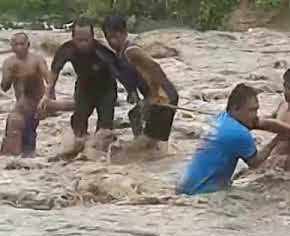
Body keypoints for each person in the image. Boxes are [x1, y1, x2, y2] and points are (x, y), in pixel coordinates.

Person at [176, 84, 290, 195]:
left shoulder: (222, 118)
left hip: (184, 187)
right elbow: (255, 163)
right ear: (236, 109)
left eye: (256, 110)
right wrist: (278, 139)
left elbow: (263, 123)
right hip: (203, 193)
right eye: (251, 110)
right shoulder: (238, 133)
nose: (255, 115)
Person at [101, 15, 179, 164]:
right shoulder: (120, 55)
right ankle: (150, 159)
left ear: (124, 32)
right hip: (154, 96)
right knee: (135, 115)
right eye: (109, 37)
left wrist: (156, 94)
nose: (113, 41)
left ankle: (150, 158)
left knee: (150, 140)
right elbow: (133, 76)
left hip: (164, 96)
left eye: (116, 36)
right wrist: (133, 93)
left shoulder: (131, 51)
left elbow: (155, 67)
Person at [38, 17, 118, 159]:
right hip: (84, 86)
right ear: (73, 37)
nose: (83, 43)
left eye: (86, 40)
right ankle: (78, 148)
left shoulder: (102, 52)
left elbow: (120, 72)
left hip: (106, 89)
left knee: (105, 127)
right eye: (79, 39)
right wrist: (47, 93)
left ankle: (101, 154)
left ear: (93, 38)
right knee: (79, 120)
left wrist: (133, 92)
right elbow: (55, 70)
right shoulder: (66, 49)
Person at [0, 32, 49, 156]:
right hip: (21, 102)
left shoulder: (37, 60)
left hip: (38, 101)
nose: (19, 47)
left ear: (28, 45)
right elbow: (5, 87)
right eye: (16, 44)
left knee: (29, 128)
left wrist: (49, 99)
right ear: (12, 46)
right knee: (13, 125)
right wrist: (10, 74)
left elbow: (49, 81)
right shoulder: (8, 63)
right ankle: (12, 153)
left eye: (22, 44)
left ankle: (29, 154)